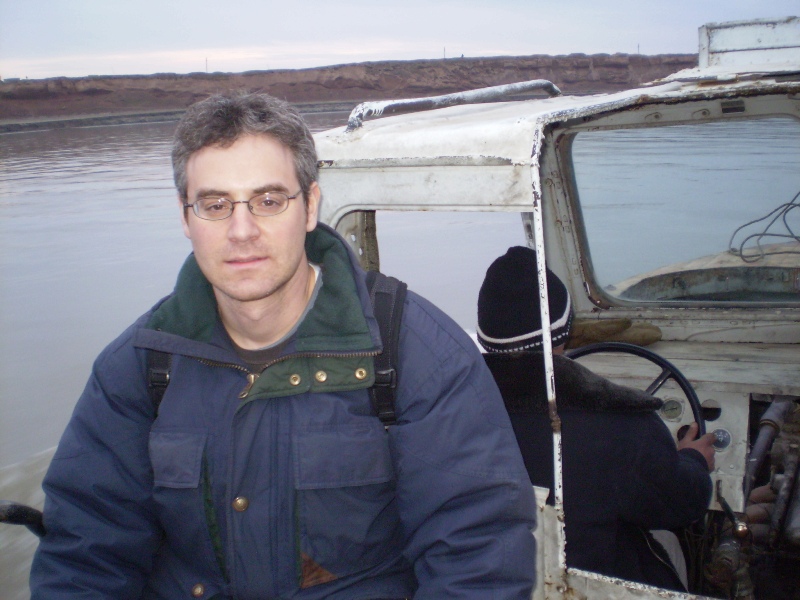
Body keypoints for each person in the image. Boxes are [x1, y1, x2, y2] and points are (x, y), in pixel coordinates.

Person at [30, 94, 536, 599]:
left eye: (269, 201)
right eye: (215, 205)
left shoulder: (418, 357)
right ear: (186, 218)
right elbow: (85, 555)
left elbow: (477, 558)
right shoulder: (140, 367)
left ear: (311, 205)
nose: (242, 231)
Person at [477, 246, 716, 592]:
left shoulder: (449, 415)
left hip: (489, 581)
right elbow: (682, 504)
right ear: (563, 330)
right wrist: (693, 459)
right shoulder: (621, 421)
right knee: (671, 543)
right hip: (586, 587)